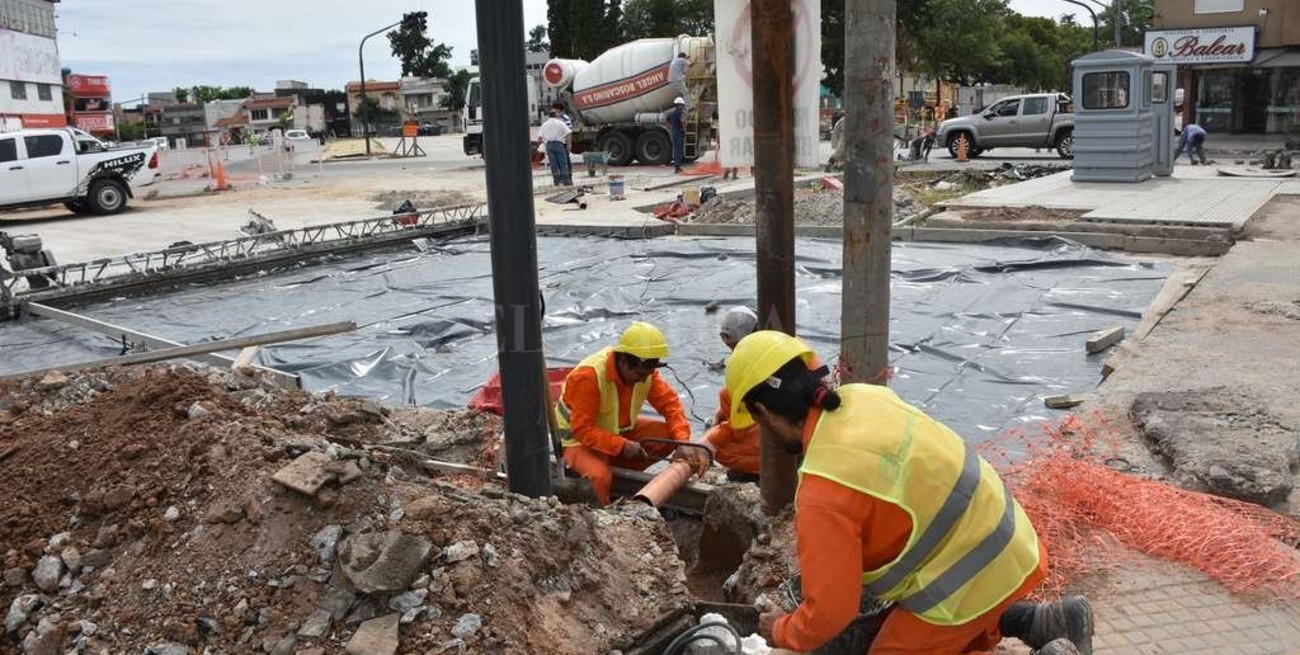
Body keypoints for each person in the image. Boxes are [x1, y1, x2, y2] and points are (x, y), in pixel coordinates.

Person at [725, 331, 1095, 655]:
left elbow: (830, 612)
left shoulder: (824, 491)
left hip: (971, 573)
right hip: (1006, 539)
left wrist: (782, 630)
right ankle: (1047, 621)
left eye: (757, 422)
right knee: (932, 622)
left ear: (763, 411)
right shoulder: (864, 398)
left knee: (925, 628)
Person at [554, 322, 704, 505]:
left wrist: (682, 441)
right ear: (623, 361)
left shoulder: (646, 373)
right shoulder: (589, 376)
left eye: (648, 374)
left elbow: (670, 404)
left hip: (613, 434)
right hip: (577, 440)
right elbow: (582, 430)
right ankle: (601, 512)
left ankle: (614, 469)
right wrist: (622, 446)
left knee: (667, 435)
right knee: (599, 477)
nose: (643, 379)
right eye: (640, 374)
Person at [702, 307, 761, 481]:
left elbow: (742, 418)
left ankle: (760, 470)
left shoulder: (758, 365)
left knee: (719, 449)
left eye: (734, 346)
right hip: (773, 429)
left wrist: (709, 441)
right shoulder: (770, 349)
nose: (733, 351)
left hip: (778, 438)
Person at [538, 103, 573, 186]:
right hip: (559, 144)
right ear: (555, 115)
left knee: (554, 164)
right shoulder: (560, 123)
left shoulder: (544, 124)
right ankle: (566, 181)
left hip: (549, 145)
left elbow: (539, 138)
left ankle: (556, 181)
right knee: (563, 163)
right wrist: (569, 144)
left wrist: (542, 143)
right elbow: (569, 132)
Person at [667, 97, 687, 174]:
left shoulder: (671, 113)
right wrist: (684, 129)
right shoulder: (679, 113)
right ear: (680, 105)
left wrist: (670, 127)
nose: (682, 107)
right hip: (679, 133)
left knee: (675, 150)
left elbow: (667, 120)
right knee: (679, 150)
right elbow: (682, 121)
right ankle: (678, 167)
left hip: (674, 133)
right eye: (682, 105)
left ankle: (676, 166)